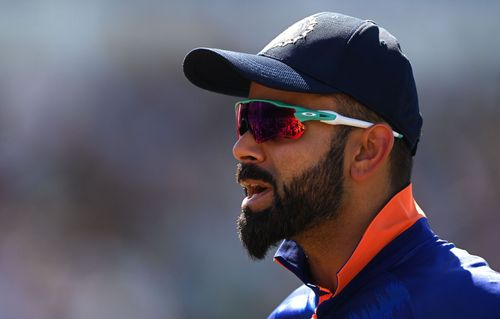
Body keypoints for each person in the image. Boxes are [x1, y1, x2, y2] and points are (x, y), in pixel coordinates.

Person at [182, 12, 500, 319]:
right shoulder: (290, 315)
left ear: (367, 150)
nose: (242, 148)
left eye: (275, 121)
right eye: (246, 119)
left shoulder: (479, 305)